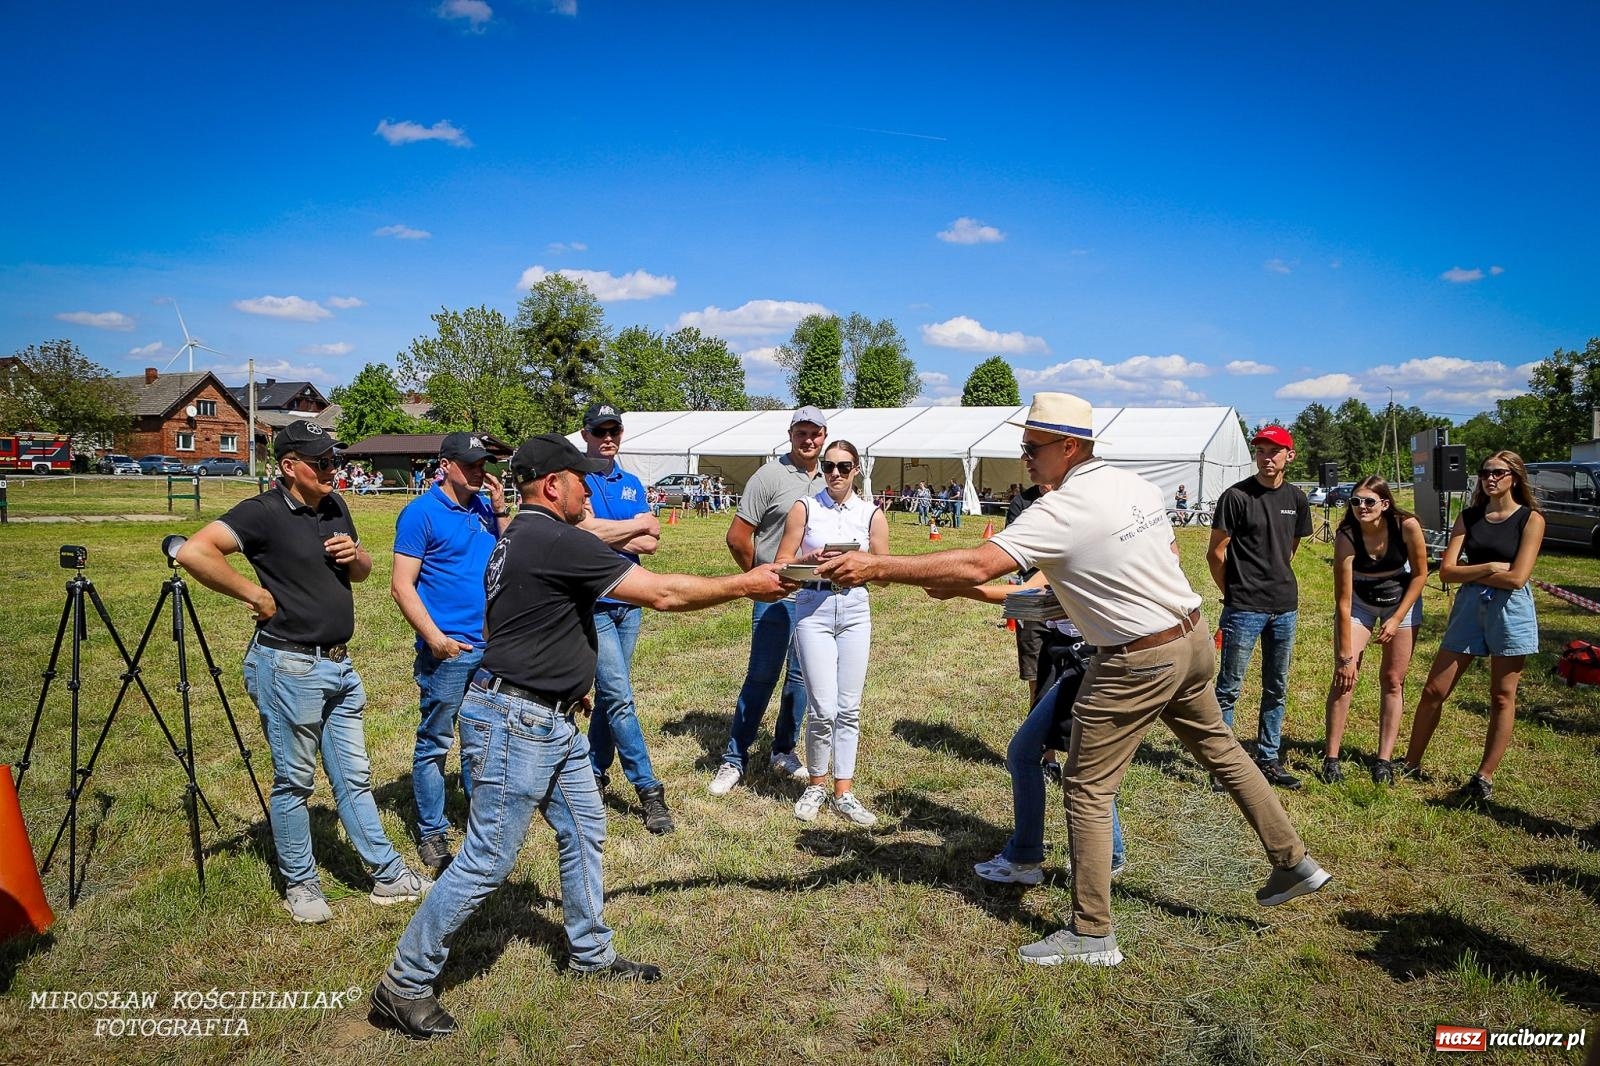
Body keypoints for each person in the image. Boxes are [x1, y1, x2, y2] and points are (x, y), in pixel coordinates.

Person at [818, 393, 1330, 968]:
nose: (1024, 460)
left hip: (1135, 660)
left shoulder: (1059, 511)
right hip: (1188, 640)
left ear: (1068, 447)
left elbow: (977, 562)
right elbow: (1067, 592)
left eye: (1032, 449)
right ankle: (1293, 862)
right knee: (1224, 752)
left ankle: (1091, 933)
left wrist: (876, 567)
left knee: (1087, 786)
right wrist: (961, 587)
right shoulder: (1132, 487)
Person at [370, 434, 789, 1039]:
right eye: (580, 478)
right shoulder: (555, 539)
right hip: (518, 724)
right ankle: (403, 983)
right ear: (551, 484)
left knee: (585, 827)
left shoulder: (514, 537)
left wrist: (563, 679)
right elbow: (664, 592)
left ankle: (591, 953)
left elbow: (511, 616)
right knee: (486, 859)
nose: (590, 487)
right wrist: (751, 584)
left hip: (546, 717)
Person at [176, 419, 432, 924]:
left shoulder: (336, 505)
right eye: (322, 463)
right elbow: (192, 550)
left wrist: (356, 556)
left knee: (354, 778)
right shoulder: (262, 513)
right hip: (288, 665)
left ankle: (387, 875)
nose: (333, 470)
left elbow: (361, 573)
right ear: (289, 467)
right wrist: (254, 593)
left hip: (340, 665)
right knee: (294, 781)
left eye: (335, 461)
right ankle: (302, 884)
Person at [391, 432, 507, 873]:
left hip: (489, 647)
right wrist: (436, 639)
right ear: (446, 465)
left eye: (484, 463)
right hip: (449, 651)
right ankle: (433, 832)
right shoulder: (420, 514)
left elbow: (508, 551)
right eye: (473, 464)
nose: (483, 470)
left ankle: (482, 821)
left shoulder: (481, 506)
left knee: (481, 738)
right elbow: (401, 585)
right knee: (436, 740)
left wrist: (498, 509)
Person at [1401, 451, 1545, 801]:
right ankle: (1410, 763)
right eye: (1484, 473)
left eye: (1498, 472)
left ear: (1515, 477)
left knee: (1501, 695)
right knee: (1434, 689)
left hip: (1510, 611)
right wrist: (1490, 567)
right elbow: (1447, 571)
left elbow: (1518, 579)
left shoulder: (1531, 519)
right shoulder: (1468, 517)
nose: (1489, 478)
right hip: (1468, 608)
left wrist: (1481, 571)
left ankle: (1484, 777)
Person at [709, 407, 827, 795]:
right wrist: (757, 580)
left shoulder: (832, 477)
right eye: (801, 432)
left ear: (824, 436)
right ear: (791, 433)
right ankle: (733, 759)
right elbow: (737, 537)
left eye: (815, 433)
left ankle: (783, 749)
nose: (808, 440)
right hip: (777, 595)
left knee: (801, 678)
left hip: (818, 595)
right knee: (761, 675)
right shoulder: (769, 476)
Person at [775, 440, 888, 825]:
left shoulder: (871, 514)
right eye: (828, 466)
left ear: (857, 469)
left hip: (855, 608)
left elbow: (885, 573)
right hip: (813, 607)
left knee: (849, 708)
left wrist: (864, 564)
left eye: (843, 466)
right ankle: (816, 785)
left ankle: (845, 791)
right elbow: (781, 567)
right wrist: (811, 560)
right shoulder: (805, 508)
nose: (835, 474)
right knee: (823, 707)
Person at [575, 403, 675, 834]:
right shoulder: (575, 481)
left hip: (629, 604)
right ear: (586, 435)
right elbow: (584, 533)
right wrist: (632, 526)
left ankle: (594, 773)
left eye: (614, 430)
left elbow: (652, 542)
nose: (608, 438)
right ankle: (649, 789)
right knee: (618, 695)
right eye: (600, 431)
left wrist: (614, 529)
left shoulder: (631, 481)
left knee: (612, 696)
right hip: (594, 603)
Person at [1207, 426, 1313, 789]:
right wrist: (1235, 592)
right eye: (1262, 451)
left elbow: (1290, 549)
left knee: (1276, 686)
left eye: (1275, 451)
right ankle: (1223, 765)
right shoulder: (1236, 497)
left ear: (1289, 456)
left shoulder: (1297, 499)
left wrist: (1273, 580)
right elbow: (1216, 553)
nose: (1267, 457)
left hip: (1284, 607)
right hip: (1244, 608)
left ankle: (1268, 757)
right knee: (1228, 688)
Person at [1320, 476, 1428, 786]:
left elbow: (1421, 575)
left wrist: (1396, 620)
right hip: (1360, 602)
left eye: (1369, 501)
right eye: (1355, 501)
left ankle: (1383, 760)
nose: (1361, 507)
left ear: (1384, 503)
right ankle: (1332, 758)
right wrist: (1344, 655)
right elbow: (1342, 600)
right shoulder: (1346, 535)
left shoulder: (1406, 525)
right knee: (1345, 677)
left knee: (1393, 680)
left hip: (1401, 600)